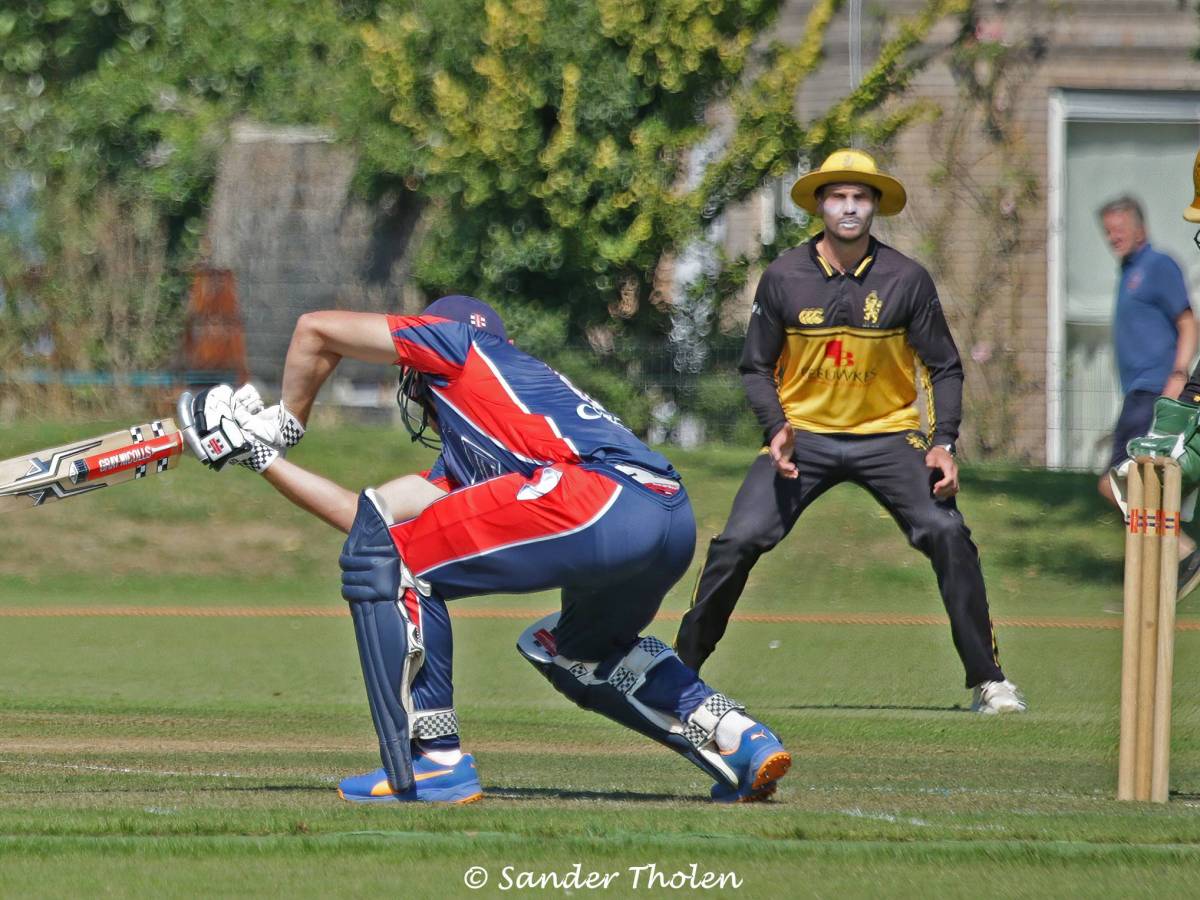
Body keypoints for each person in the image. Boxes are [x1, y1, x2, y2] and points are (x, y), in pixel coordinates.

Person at [176, 294, 792, 804]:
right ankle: (739, 739)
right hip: (666, 511)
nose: (413, 393)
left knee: (402, 565)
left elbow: (315, 329)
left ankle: (434, 760)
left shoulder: (455, 344)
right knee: (572, 649)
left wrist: (286, 422)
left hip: (591, 494)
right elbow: (368, 517)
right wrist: (261, 458)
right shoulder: (490, 432)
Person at [673, 148, 1025, 714]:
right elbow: (756, 368)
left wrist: (943, 442)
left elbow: (945, 367)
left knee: (948, 534)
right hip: (802, 437)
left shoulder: (906, 278)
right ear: (819, 205)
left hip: (889, 438)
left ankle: (991, 682)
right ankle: (678, 674)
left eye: (861, 197)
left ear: (876, 207)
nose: (849, 207)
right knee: (738, 541)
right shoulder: (784, 275)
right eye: (837, 196)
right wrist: (777, 428)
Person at [1096, 196, 1200, 597]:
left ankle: (1182, 552)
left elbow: (1188, 323)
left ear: (1139, 227)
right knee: (1129, 483)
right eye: (1107, 230)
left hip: (1155, 390)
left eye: (1119, 228)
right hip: (1137, 394)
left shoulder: (1158, 265)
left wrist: (1178, 377)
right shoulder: (1129, 270)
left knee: (1117, 481)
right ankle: (1166, 568)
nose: (1112, 236)